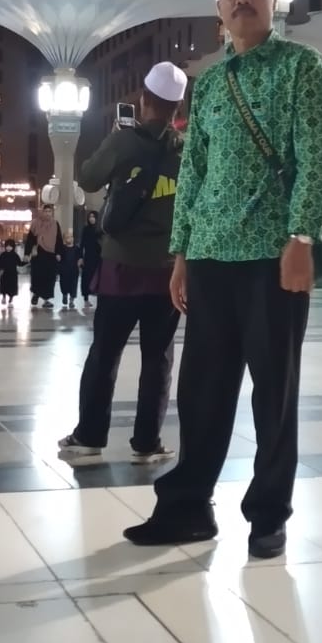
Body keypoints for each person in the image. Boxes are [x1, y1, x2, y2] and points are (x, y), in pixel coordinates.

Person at [124, 0, 322, 559]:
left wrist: (302, 238)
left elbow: (315, 159)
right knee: (202, 391)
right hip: (211, 255)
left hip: (273, 255)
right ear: (218, 6)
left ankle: (269, 514)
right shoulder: (212, 82)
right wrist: (181, 254)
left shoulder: (302, 67)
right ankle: (188, 508)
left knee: (274, 392)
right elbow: (194, 170)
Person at [59, 62, 187, 466]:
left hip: (121, 268)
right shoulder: (185, 150)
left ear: (143, 100)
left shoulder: (124, 141)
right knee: (158, 359)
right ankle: (146, 443)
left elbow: (88, 178)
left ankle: (89, 436)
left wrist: (115, 139)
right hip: (166, 272)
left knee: (105, 353)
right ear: (178, 107)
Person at [25, 206, 62, 308]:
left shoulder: (55, 224)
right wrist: (27, 253)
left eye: (49, 211)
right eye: (45, 211)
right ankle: (36, 295)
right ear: (42, 212)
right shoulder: (35, 223)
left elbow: (59, 239)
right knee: (37, 276)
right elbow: (30, 239)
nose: (47, 213)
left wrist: (59, 253)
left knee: (49, 277)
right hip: (38, 254)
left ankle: (46, 300)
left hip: (51, 254)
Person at [80, 210, 102, 308]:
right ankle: (86, 299)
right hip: (88, 257)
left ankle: (99, 300)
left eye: (93, 217)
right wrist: (80, 257)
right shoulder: (86, 229)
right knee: (86, 277)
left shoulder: (100, 229)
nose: (91, 219)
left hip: (99, 257)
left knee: (98, 277)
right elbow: (82, 244)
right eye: (90, 217)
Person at [58, 230, 82, 309]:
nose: (70, 238)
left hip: (74, 270)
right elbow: (59, 256)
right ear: (64, 239)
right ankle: (64, 295)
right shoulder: (62, 248)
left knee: (73, 286)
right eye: (67, 237)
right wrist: (58, 257)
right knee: (64, 284)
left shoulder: (76, 248)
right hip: (64, 270)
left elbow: (80, 257)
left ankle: (71, 301)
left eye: (71, 237)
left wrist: (80, 261)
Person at [0, 238, 22, 305]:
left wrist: (26, 262)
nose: (8, 248)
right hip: (4, 274)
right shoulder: (3, 255)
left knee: (12, 287)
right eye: (7, 246)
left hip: (13, 274)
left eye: (10, 246)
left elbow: (19, 263)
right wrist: (0, 269)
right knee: (4, 286)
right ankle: (4, 297)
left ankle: (11, 299)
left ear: (13, 247)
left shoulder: (15, 255)